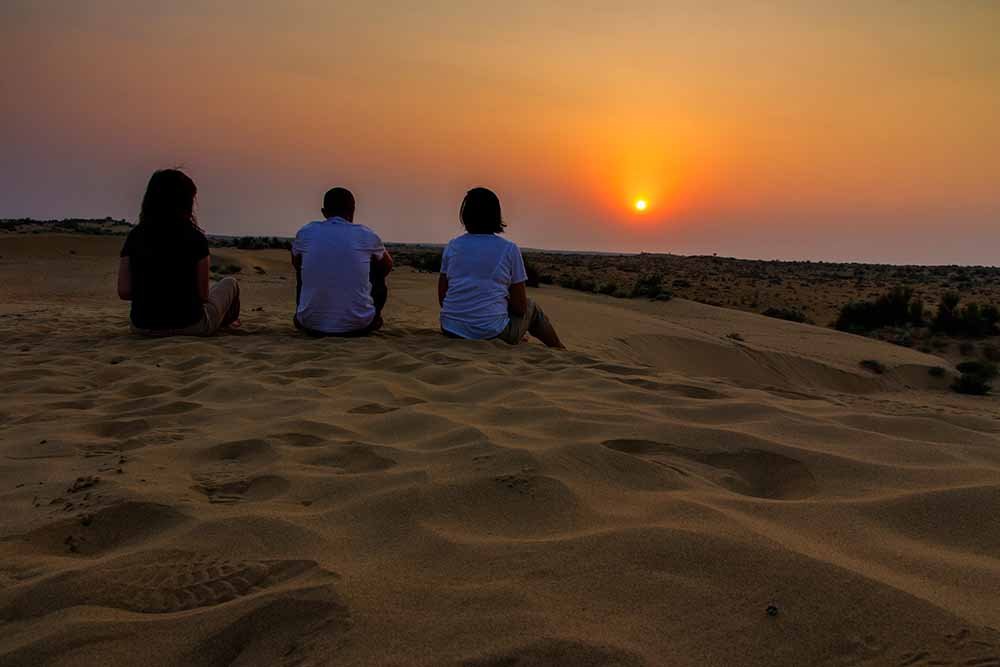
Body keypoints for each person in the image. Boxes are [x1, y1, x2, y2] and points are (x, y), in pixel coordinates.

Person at [117, 169, 240, 336]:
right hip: (192, 326)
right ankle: (229, 322)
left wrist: (153, 295)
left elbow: (124, 291)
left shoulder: (135, 236)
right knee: (230, 283)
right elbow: (202, 295)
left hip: (143, 327)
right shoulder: (195, 238)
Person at [438, 187, 564, 348]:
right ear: (496, 215)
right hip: (490, 333)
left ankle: (516, 333)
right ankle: (559, 349)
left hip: (450, 328)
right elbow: (520, 307)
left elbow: (443, 298)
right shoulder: (509, 249)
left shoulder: (452, 246)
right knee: (532, 308)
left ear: (465, 214)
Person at [291, 187, 393, 336]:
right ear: (353, 210)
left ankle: (308, 313)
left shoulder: (306, 232)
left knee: (302, 273)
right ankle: (373, 317)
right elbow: (386, 266)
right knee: (378, 274)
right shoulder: (366, 234)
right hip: (358, 325)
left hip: (310, 325)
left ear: (324, 212)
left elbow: (296, 263)